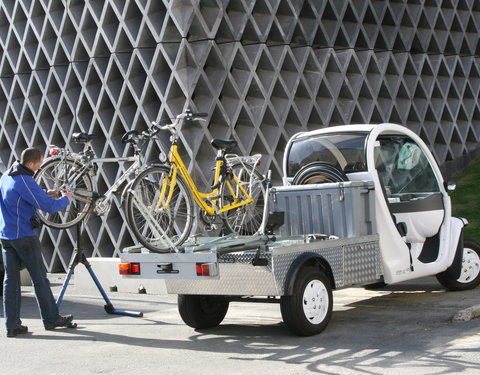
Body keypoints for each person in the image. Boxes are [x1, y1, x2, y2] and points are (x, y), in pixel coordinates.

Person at [0, 148, 75, 337]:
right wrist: (66, 199)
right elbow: (48, 206)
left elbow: (24, 194)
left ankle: (12, 325)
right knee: (39, 278)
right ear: (32, 164)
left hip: (6, 235)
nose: (40, 166)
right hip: (24, 235)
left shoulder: (8, 175)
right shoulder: (24, 180)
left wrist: (44, 192)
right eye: (40, 163)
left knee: (11, 281)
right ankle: (51, 319)